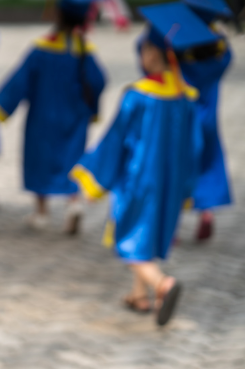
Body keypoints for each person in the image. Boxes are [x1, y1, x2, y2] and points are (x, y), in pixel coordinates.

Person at [69, 3, 213, 326]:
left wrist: (93, 174)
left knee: (129, 240)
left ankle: (163, 283)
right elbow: (195, 148)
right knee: (145, 235)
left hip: (138, 180)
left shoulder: (138, 96)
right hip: (170, 183)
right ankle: (139, 296)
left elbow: (116, 139)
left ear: (150, 54)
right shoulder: (186, 97)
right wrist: (187, 186)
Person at [0, 0, 106, 234]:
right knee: (72, 159)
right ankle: (73, 203)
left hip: (42, 118)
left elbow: (19, 82)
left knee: (39, 160)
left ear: (57, 15)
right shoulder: (85, 50)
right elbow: (99, 81)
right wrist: (91, 110)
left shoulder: (41, 49)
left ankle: (42, 212)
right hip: (74, 119)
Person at [180, 0, 234, 241]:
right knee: (209, 162)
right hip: (208, 116)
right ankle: (206, 213)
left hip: (181, 116)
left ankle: (171, 224)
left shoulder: (179, 44)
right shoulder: (218, 46)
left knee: (176, 167)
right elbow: (227, 61)